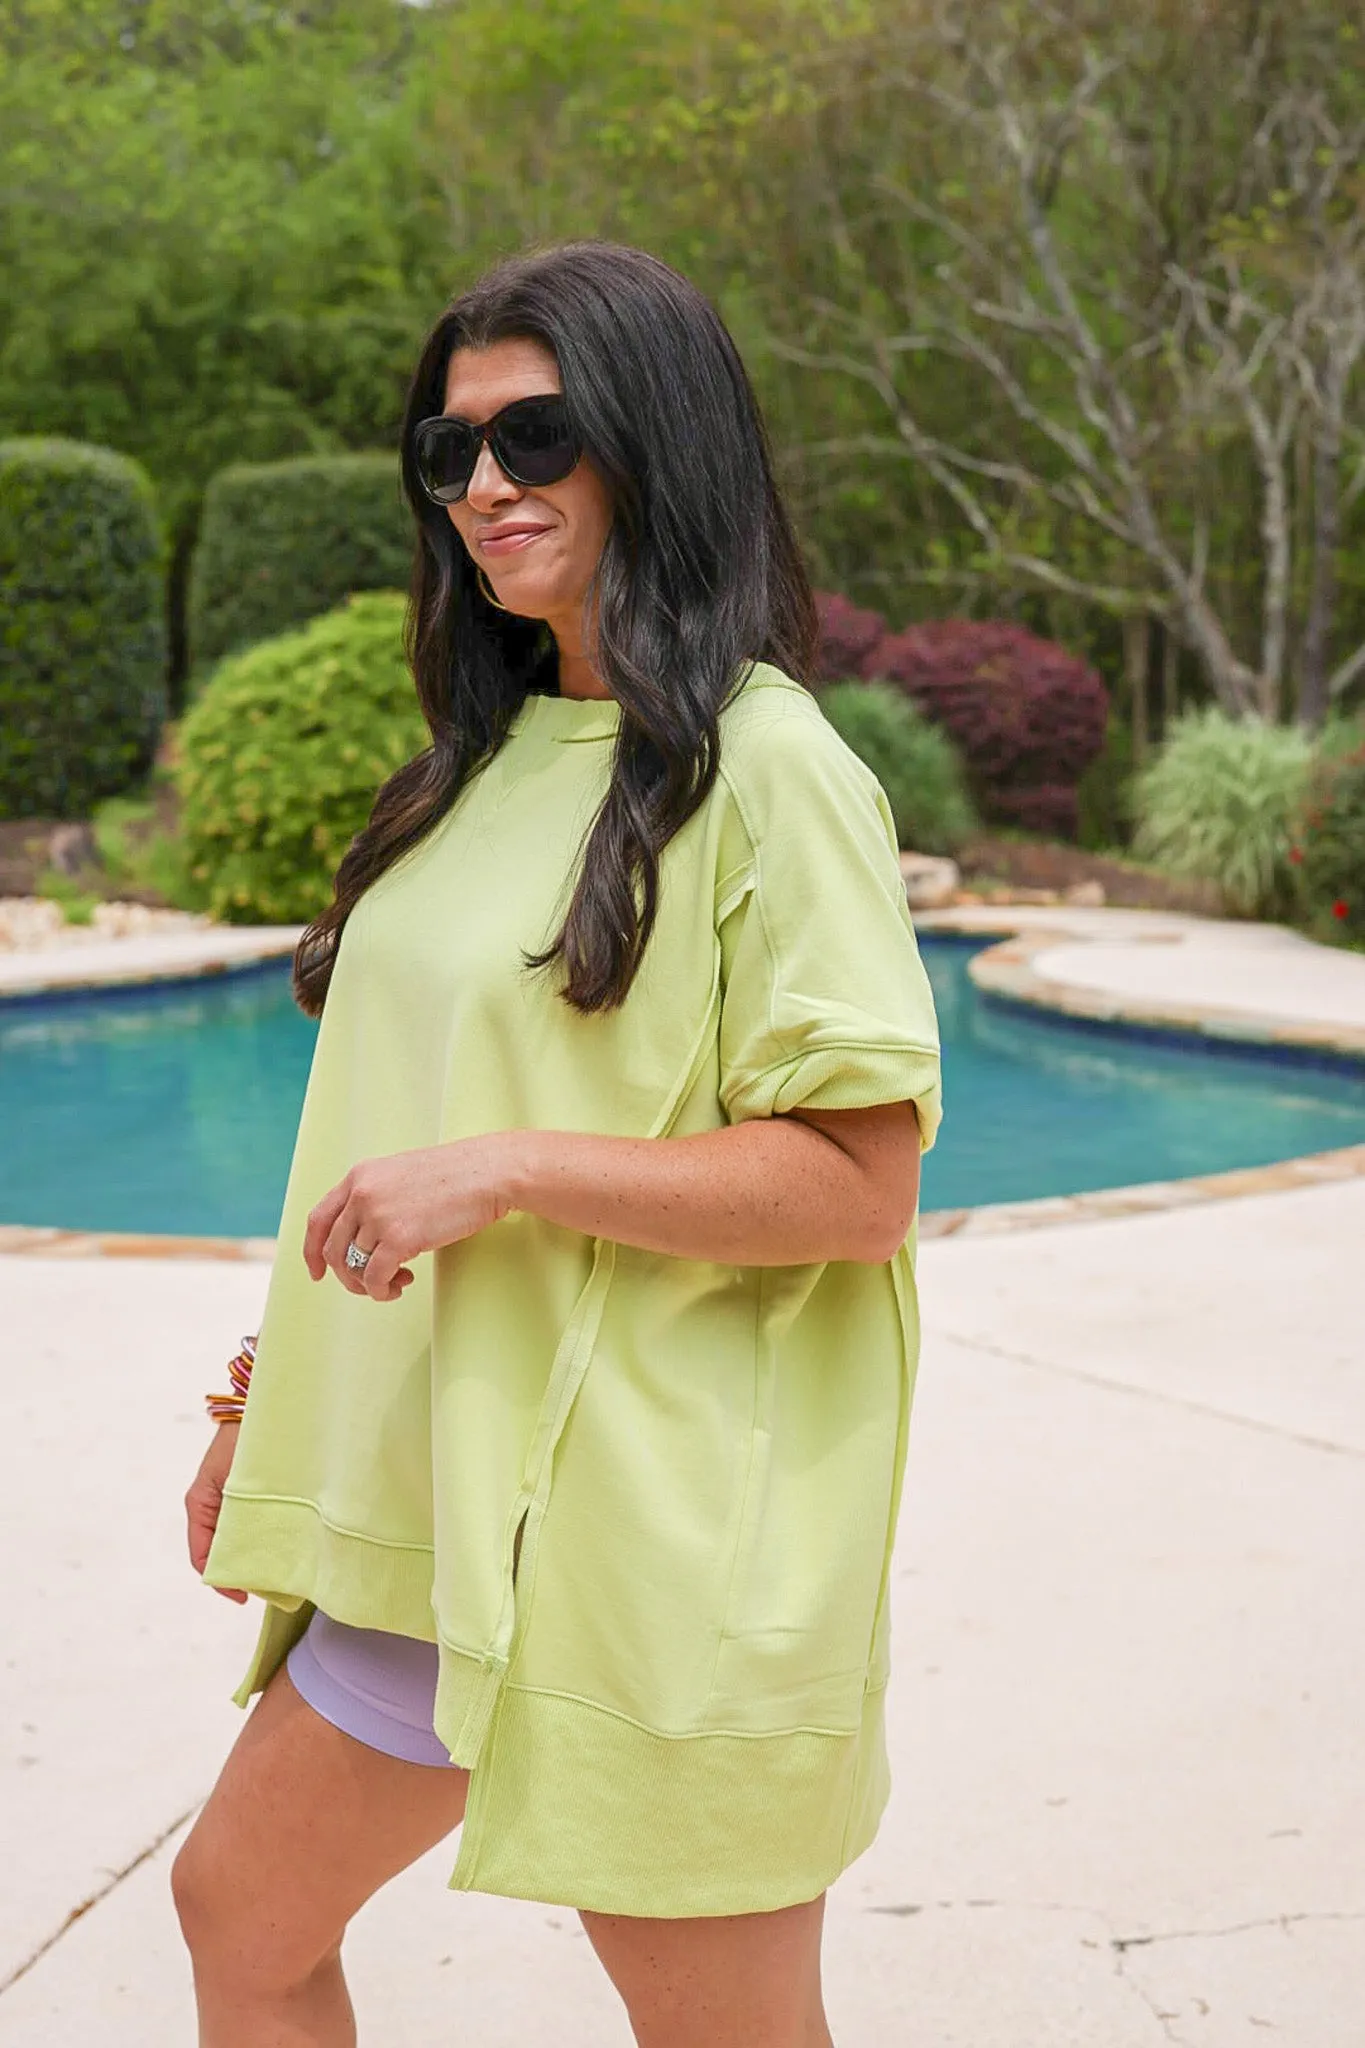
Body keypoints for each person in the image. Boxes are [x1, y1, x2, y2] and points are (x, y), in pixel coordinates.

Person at [176, 239, 942, 2048]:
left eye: (537, 437)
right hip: (438, 1500)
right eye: (449, 457)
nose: (485, 489)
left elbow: (859, 1185)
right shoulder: (481, 763)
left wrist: (510, 1168)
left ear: (658, 442)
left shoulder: (774, 768)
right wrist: (270, 1407)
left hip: (649, 1535)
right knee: (239, 1916)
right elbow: (393, 1133)